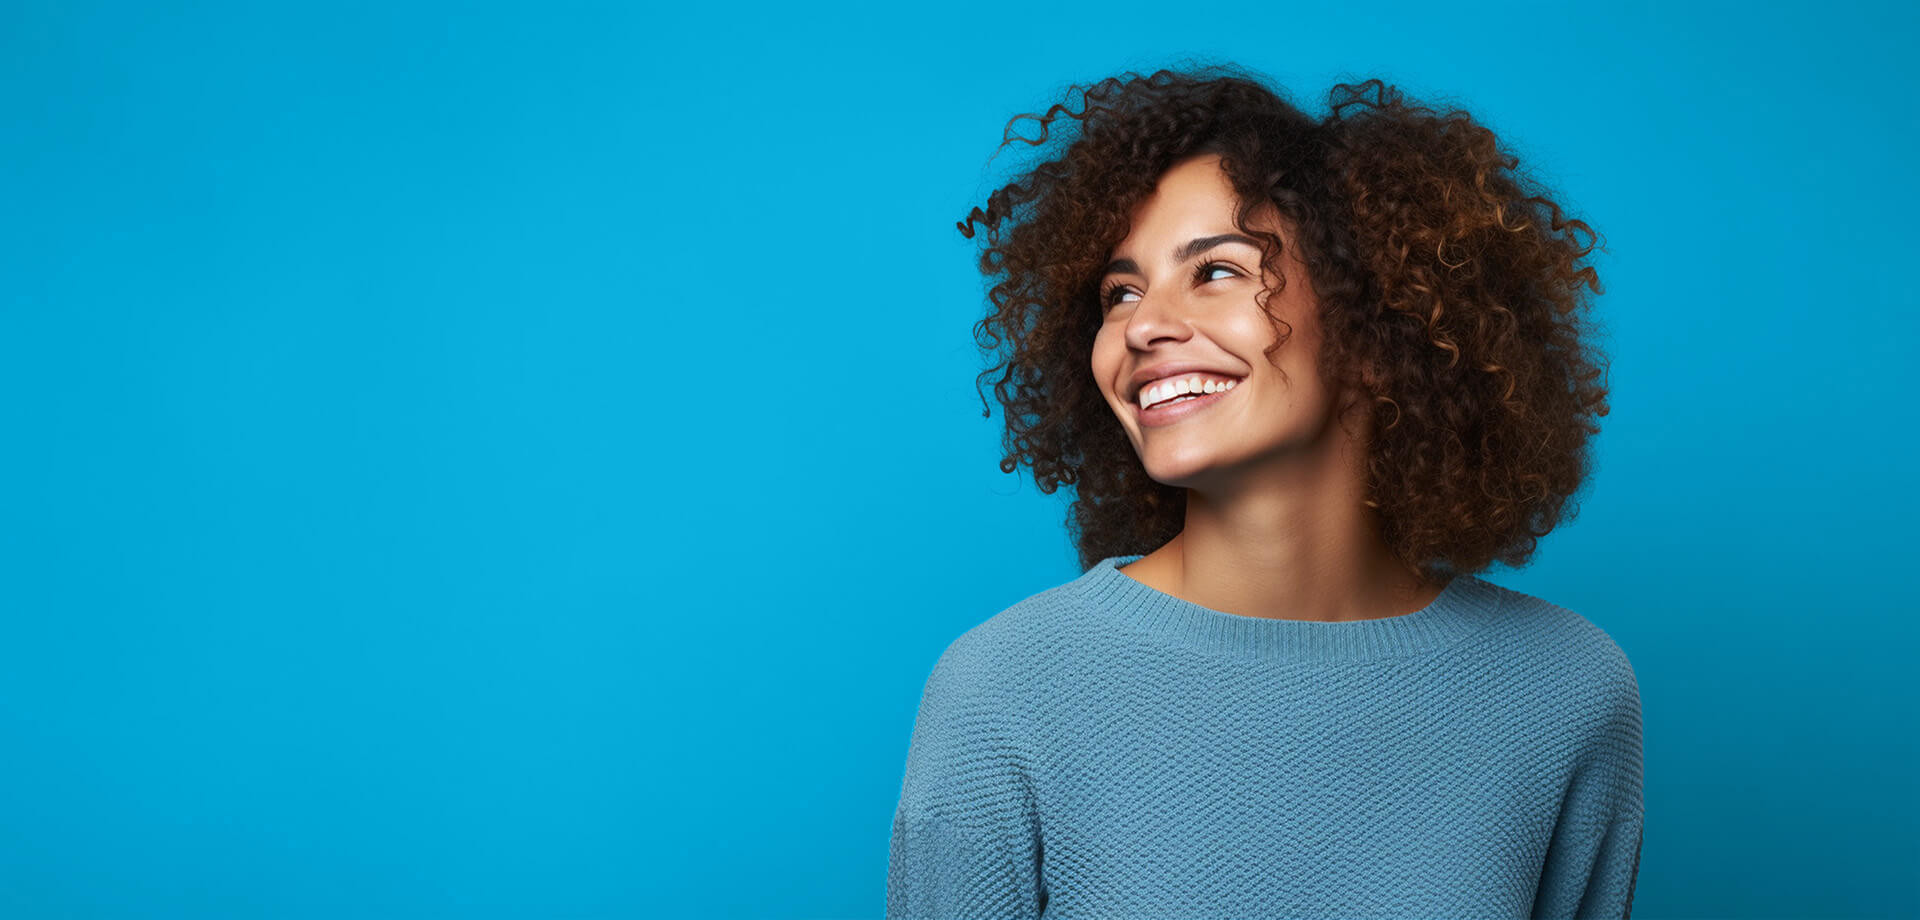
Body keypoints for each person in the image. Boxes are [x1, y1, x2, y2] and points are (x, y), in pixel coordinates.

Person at [888, 63, 1642, 919]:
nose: (1142, 326)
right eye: (1119, 292)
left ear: (1375, 321)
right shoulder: (1005, 692)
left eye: (1215, 272)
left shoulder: (1565, 690)